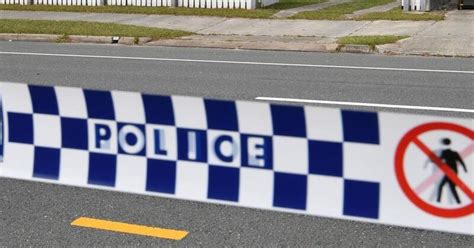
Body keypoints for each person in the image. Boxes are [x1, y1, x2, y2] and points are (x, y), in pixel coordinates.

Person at [437, 138, 468, 204]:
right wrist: (464, 169)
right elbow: (461, 161)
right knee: (451, 188)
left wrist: (465, 168)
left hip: (451, 172)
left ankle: (438, 201)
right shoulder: (451, 153)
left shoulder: (446, 152)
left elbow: (439, 159)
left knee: (443, 186)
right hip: (452, 171)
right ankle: (458, 202)